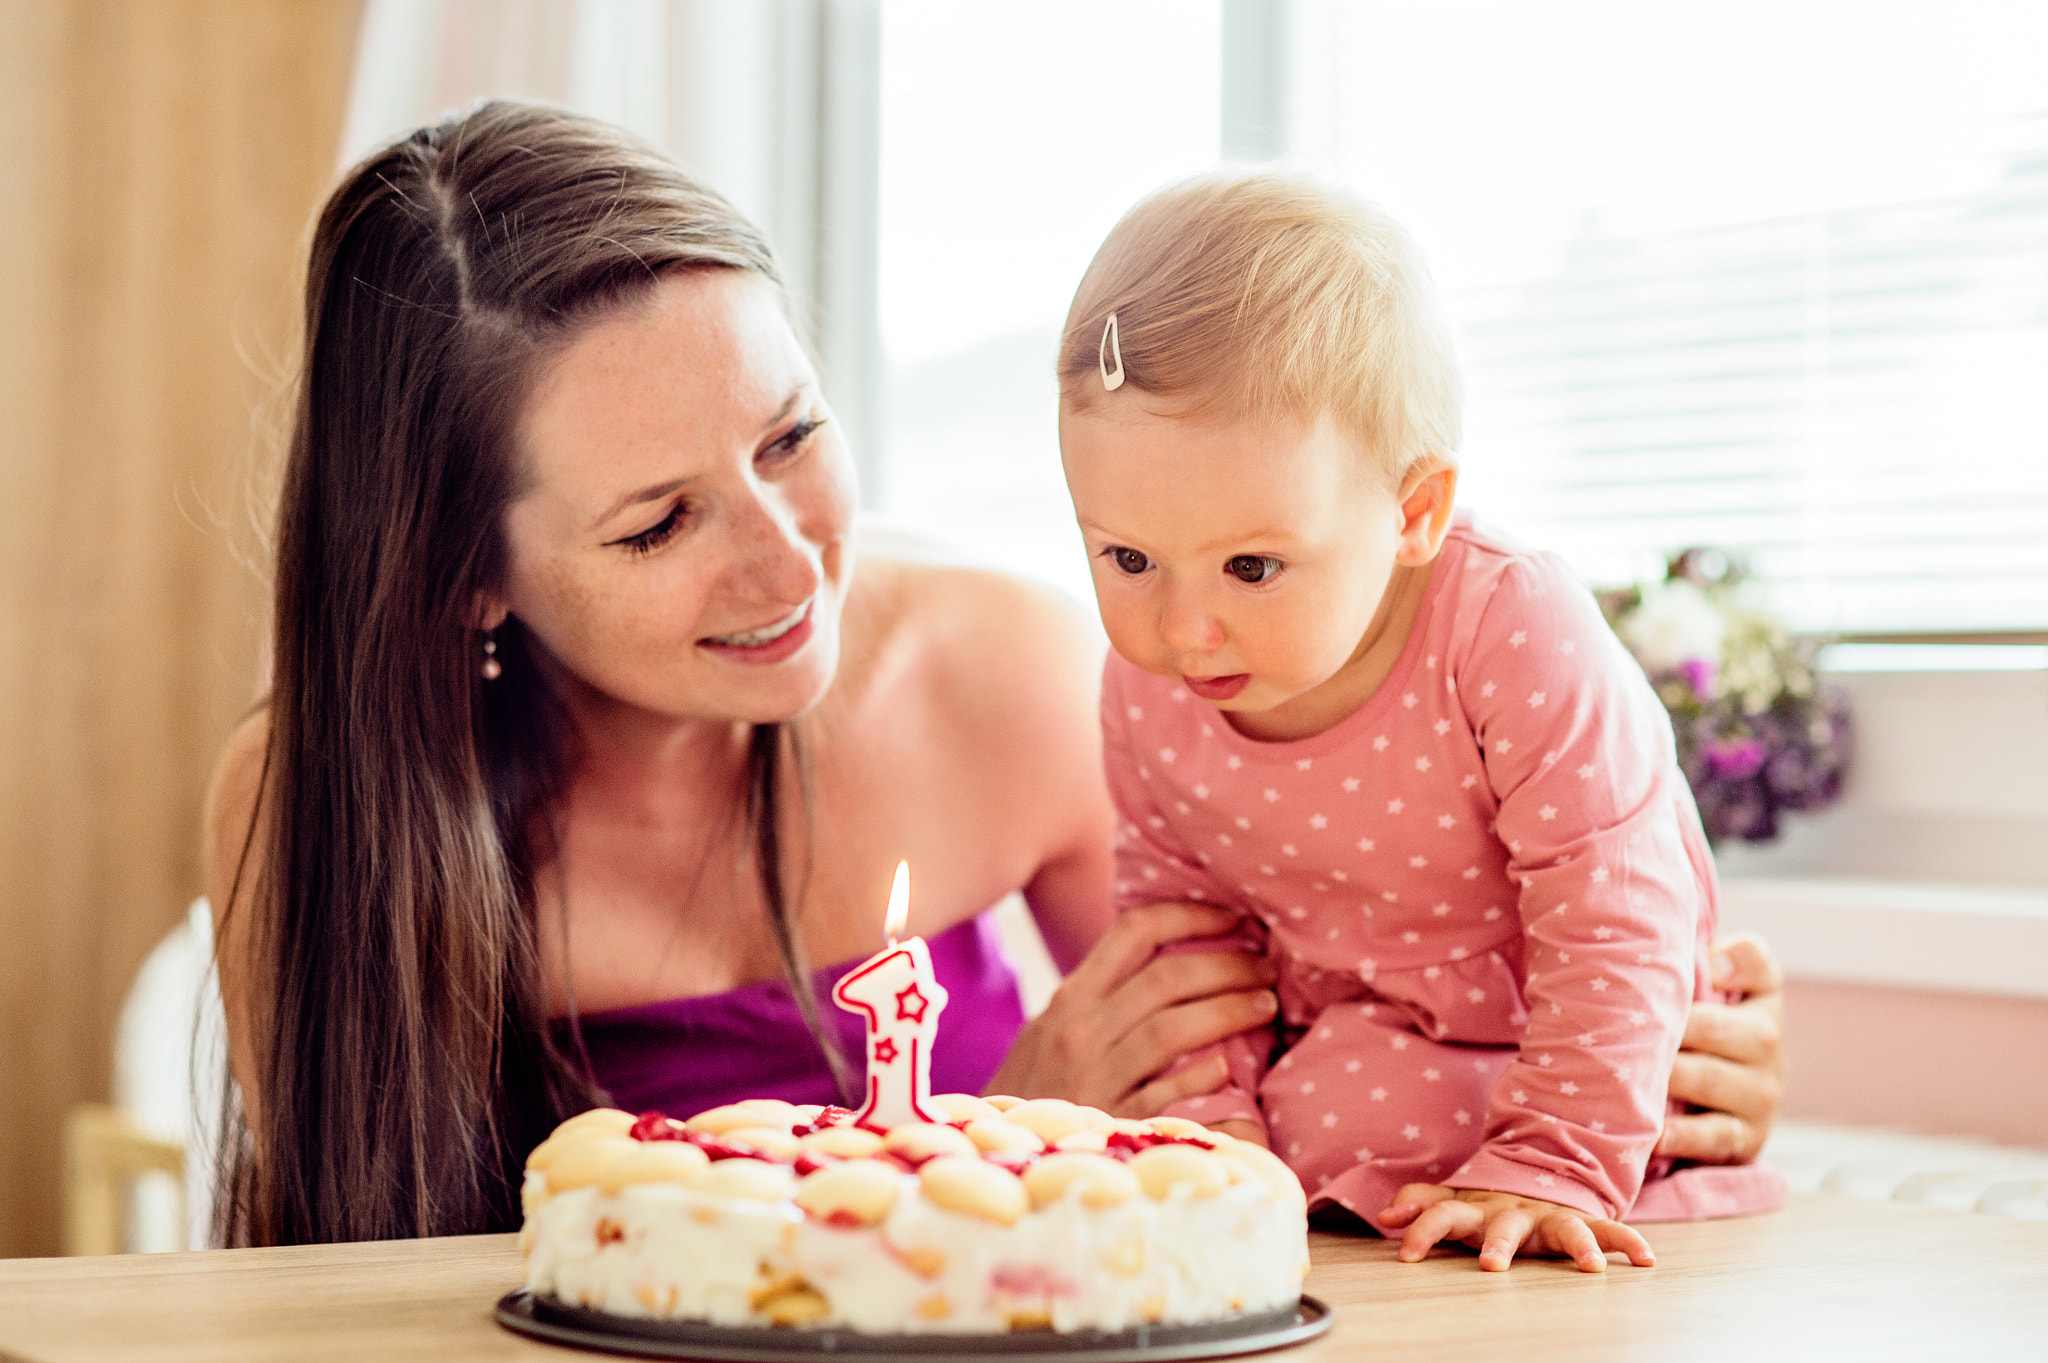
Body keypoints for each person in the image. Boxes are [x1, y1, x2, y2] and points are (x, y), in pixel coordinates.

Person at [203, 102, 1787, 1248]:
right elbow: (374, 1288)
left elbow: (1305, 1080)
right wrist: (990, 1112)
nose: (786, 559)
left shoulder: (1013, 670)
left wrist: (1615, 1082)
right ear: (466, 565)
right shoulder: (320, 800)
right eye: (659, 520)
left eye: (791, 438)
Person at [1056, 170, 1787, 1273]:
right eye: (1125, 558)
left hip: (1574, 1038)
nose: (1182, 628)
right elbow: (1186, 934)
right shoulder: (1145, 686)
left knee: (1384, 1119)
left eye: (1251, 566)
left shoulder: (1506, 621)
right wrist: (1207, 1145)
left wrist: (1553, 1158)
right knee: (1301, 1126)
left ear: (1412, 512)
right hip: (1361, 1041)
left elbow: (1615, 905)